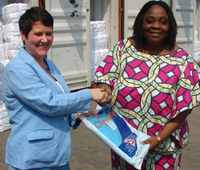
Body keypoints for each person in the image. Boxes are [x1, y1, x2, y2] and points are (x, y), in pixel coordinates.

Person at [94, 1, 200, 169]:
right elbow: (105, 78)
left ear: (170, 26)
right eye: (150, 20)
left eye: (162, 21)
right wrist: (104, 90)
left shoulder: (184, 62)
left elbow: (184, 108)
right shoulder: (122, 49)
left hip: (162, 147)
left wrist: (158, 139)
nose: (156, 26)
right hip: (125, 144)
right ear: (141, 23)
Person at [3, 7, 108, 170]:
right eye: (38, 34)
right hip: (32, 158)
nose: (44, 39)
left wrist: (77, 116)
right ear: (23, 35)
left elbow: (59, 99)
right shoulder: (17, 68)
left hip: (56, 155)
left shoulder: (48, 64)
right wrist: (89, 93)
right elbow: (48, 103)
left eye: (48, 33)